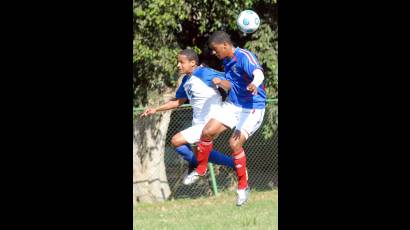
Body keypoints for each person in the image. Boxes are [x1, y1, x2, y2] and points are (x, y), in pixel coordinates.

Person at [183, 31, 266, 206]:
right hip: (233, 104)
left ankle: (243, 188)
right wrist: (221, 83)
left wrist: (254, 84)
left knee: (234, 144)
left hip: (252, 107)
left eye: (215, 49)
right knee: (206, 132)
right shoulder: (226, 62)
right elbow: (233, 85)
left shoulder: (244, 56)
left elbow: (259, 73)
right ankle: (201, 169)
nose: (214, 53)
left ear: (225, 45)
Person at [140, 48, 234, 183]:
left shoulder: (204, 72)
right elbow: (178, 102)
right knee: (202, 152)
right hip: (198, 123)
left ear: (192, 63)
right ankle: (233, 164)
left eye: (181, 62)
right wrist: (155, 109)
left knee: (176, 141)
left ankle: (198, 166)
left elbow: (229, 80)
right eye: (178, 62)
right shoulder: (186, 80)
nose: (178, 65)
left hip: (210, 123)